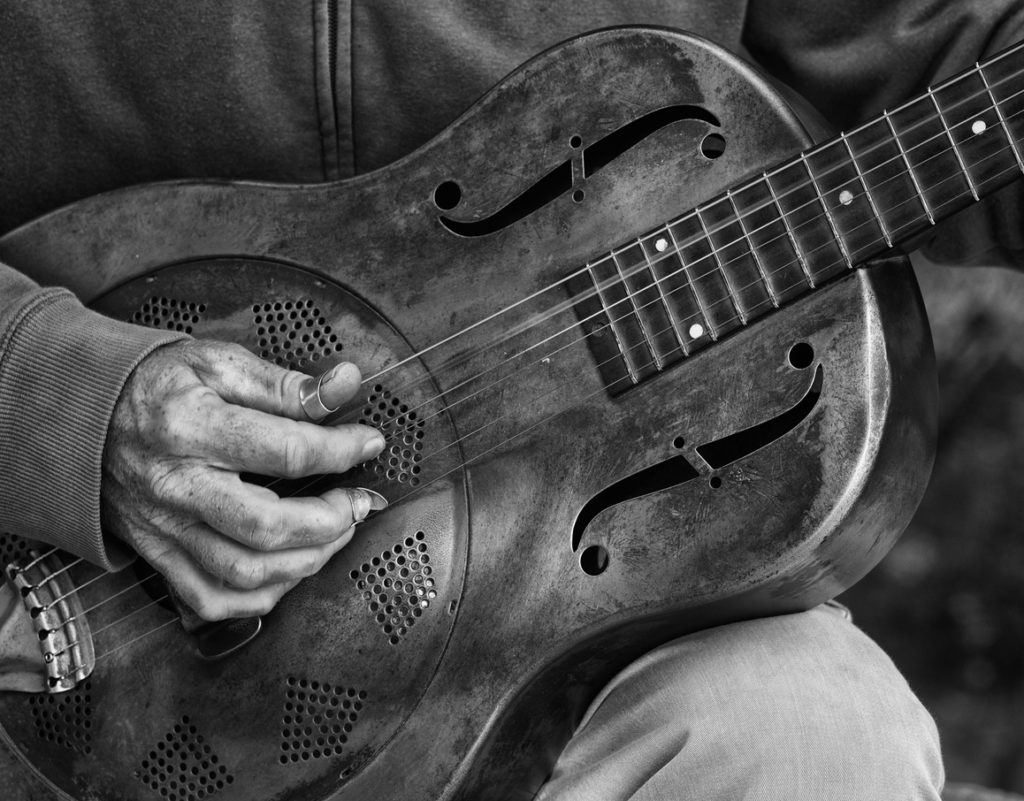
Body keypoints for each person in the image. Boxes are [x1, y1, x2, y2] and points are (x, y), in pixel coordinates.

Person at [4, 0, 1021, 797]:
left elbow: (938, 48)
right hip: (51, 585)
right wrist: (60, 398)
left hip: (582, 594)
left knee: (816, 741)